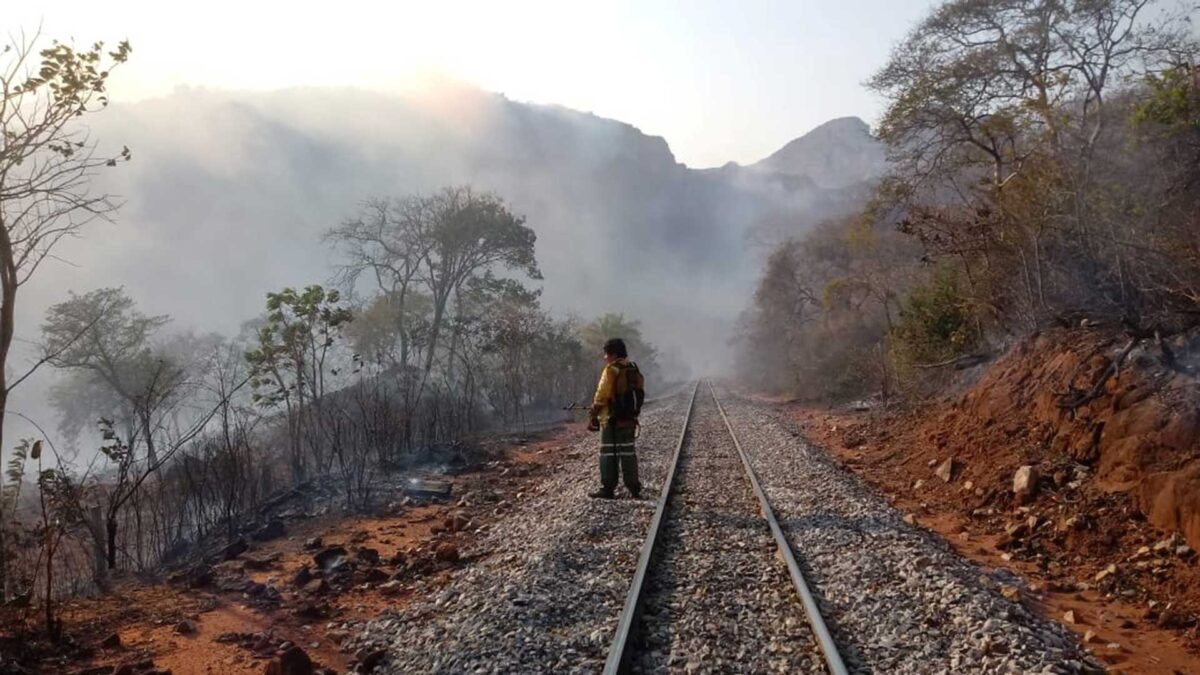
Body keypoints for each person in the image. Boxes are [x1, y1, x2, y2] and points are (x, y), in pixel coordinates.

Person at [588, 338, 645, 499]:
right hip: (629, 419)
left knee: (608, 454)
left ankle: (607, 488)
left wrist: (594, 413)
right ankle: (634, 488)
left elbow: (602, 394)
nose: (604, 358)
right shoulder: (632, 368)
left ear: (612, 354)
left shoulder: (611, 370)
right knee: (628, 453)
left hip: (610, 419)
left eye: (606, 354)